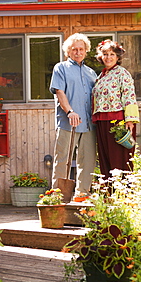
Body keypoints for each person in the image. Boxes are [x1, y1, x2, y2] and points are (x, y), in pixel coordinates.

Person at [49, 33, 97, 198]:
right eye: (74, 49)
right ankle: (58, 198)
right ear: (68, 51)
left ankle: (81, 196)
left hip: (89, 124)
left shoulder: (92, 73)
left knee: (88, 162)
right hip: (67, 123)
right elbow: (59, 92)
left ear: (86, 51)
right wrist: (70, 111)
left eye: (81, 49)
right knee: (62, 161)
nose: (78, 52)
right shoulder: (60, 68)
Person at [92, 39, 139, 184]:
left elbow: (129, 96)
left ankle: (124, 195)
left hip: (118, 122)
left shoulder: (122, 73)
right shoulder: (101, 76)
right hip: (102, 122)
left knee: (119, 158)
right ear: (101, 56)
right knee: (105, 158)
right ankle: (109, 195)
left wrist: (130, 120)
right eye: (105, 54)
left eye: (112, 54)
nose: (108, 57)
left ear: (118, 57)